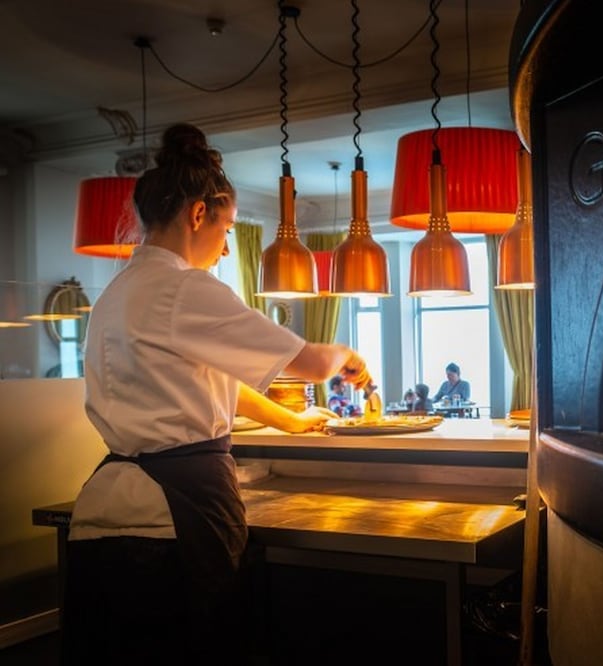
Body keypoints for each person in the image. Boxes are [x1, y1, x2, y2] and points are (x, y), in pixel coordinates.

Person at [60, 123, 372, 665]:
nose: (228, 247)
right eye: (227, 228)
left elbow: (209, 380)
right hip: (177, 513)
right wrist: (346, 355)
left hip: (102, 510)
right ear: (198, 214)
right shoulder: (185, 287)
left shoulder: (116, 293)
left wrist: (289, 421)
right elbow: (307, 362)